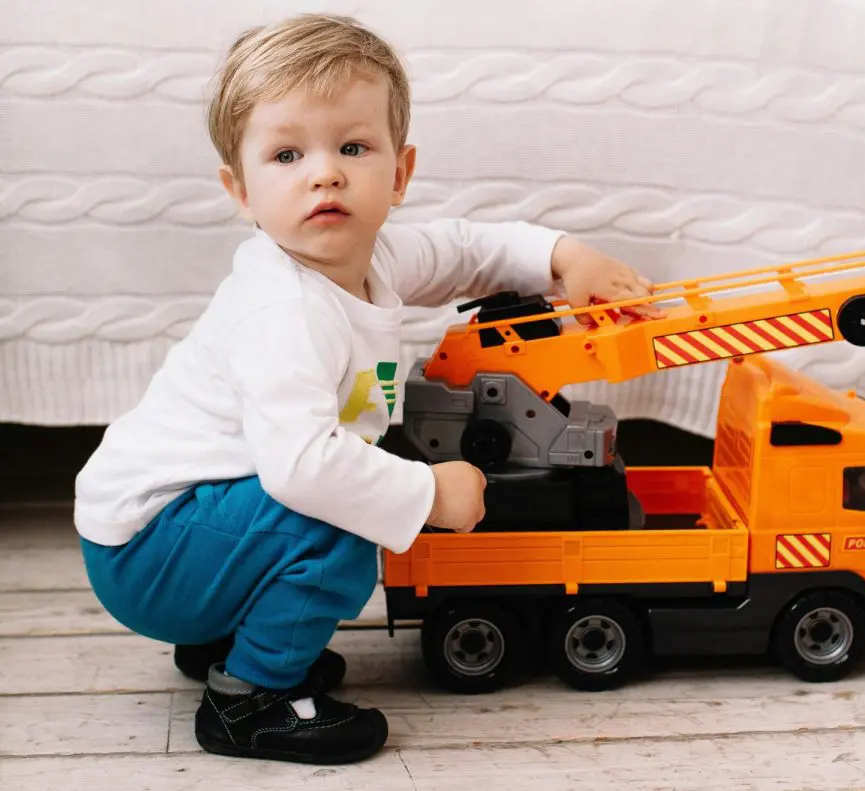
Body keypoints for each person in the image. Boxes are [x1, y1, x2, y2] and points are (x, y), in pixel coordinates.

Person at [73, 12, 660, 766]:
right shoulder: (285, 309)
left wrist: (564, 256)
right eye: (287, 154)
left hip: (174, 531)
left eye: (353, 147)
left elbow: (467, 248)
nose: (325, 172)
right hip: (151, 552)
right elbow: (303, 469)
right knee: (350, 516)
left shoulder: (373, 255)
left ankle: (235, 633)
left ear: (401, 173)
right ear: (240, 191)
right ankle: (248, 698)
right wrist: (428, 493)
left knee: (335, 495)